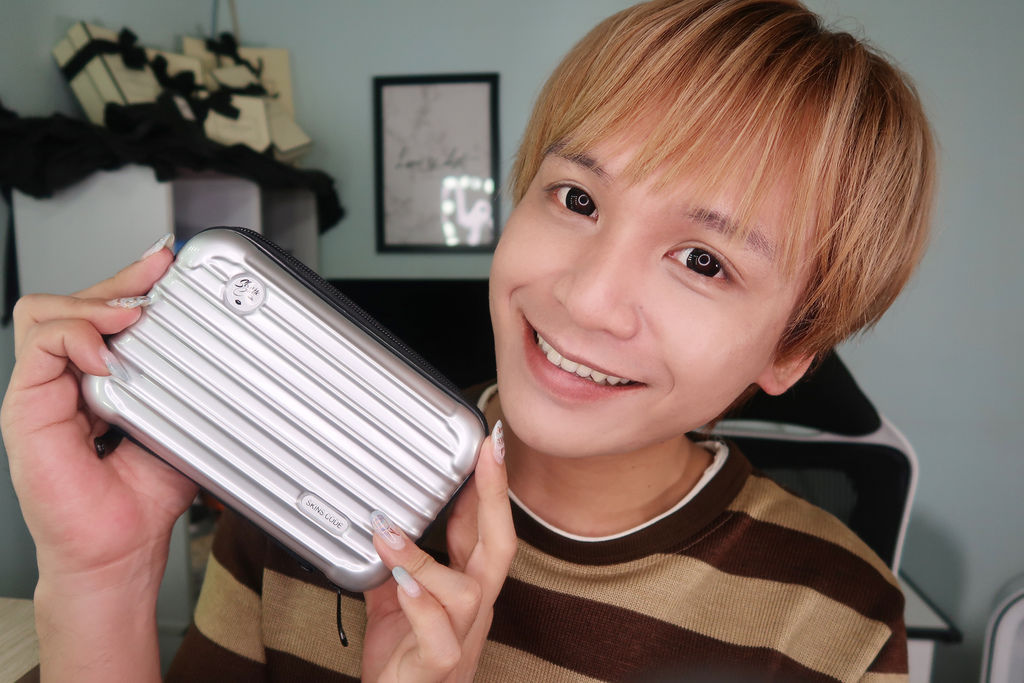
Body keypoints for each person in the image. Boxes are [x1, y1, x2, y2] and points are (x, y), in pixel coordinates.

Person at [1, 0, 934, 680]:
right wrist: (101, 579)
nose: (586, 296)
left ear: (792, 350)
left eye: (702, 260)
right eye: (577, 198)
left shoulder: (837, 625)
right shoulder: (307, 489)